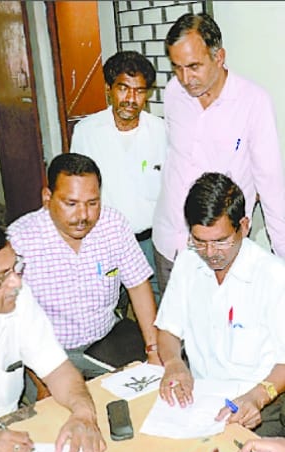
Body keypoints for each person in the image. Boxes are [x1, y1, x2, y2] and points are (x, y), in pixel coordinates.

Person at [152, 12, 285, 297]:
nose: (185, 78)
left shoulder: (253, 103)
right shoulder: (173, 92)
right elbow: (174, 158)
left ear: (219, 57)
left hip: (220, 252)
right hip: (169, 241)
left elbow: (272, 188)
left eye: (194, 66)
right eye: (177, 67)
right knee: (173, 321)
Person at [8, 153, 160, 379]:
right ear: (47, 198)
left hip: (106, 341)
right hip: (46, 354)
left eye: (92, 203)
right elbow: (8, 319)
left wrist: (153, 350)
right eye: (71, 204)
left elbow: (138, 285)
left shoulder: (113, 225)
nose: (83, 216)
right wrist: (37, 381)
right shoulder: (20, 241)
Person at [156, 172, 285, 436]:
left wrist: (257, 397)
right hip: (201, 399)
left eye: (220, 241)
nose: (210, 253)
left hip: (261, 401)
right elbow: (168, 330)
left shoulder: (273, 276)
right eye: (199, 241)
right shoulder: (188, 262)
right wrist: (174, 363)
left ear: (244, 227)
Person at [0, 217, 106, 452]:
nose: (16, 282)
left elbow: (58, 369)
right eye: (0, 278)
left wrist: (83, 414)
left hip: (9, 434)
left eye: (16, 267)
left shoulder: (19, 298)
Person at [70, 50, 166, 304]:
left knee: (154, 303)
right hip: (103, 242)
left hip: (150, 242)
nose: (131, 99)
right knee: (106, 304)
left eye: (139, 91)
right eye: (123, 89)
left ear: (148, 94)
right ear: (109, 89)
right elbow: (76, 190)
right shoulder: (86, 132)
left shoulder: (161, 132)